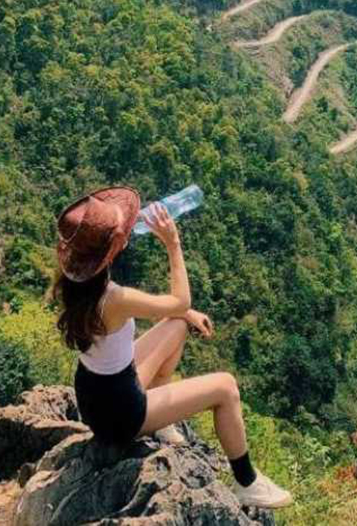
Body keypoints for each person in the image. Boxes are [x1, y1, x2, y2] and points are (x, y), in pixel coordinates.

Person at [51, 185, 292, 509]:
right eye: (120, 233)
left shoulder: (75, 283)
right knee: (226, 387)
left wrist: (185, 314)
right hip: (122, 414)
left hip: (95, 392)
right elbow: (180, 299)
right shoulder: (115, 299)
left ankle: (162, 421)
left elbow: (174, 309)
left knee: (178, 324)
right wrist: (173, 244)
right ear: (111, 250)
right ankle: (246, 481)